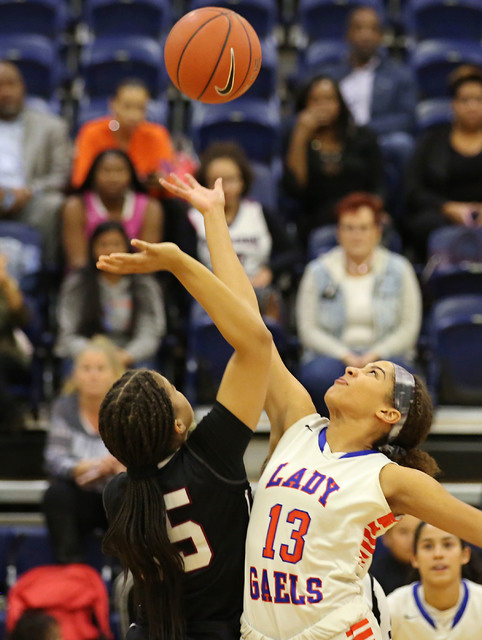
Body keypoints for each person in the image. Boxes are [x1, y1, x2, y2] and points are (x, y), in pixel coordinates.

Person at [157, 172, 482, 640]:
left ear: (389, 414)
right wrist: (214, 219)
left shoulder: (387, 477)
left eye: (373, 374)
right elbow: (249, 326)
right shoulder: (298, 424)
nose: (353, 369)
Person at [96, 221, 272, 640]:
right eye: (173, 389)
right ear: (177, 425)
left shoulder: (118, 494)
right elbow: (256, 343)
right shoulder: (210, 457)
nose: (178, 388)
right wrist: (179, 262)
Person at [295, 192, 422, 415]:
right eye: (349, 228)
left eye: (363, 228)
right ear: (338, 233)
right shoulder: (318, 271)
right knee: (319, 375)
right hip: (333, 355)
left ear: (377, 232)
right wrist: (344, 354)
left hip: (384, 354)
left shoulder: (400, 269)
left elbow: (408, 328)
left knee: (396, 376)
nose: (356, 235)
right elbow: (308, 330)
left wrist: (375, 355)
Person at [189, 141, 300, 320]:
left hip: (257, 288)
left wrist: (270, 271)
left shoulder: (261, 213)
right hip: (211, 292)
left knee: (271, 306)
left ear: (243, 181)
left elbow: (291, 253)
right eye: (214, 181)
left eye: (230, 180)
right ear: (204, 183)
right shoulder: (193, 219)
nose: (223, 188)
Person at [316, 5, 417, 201]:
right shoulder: (329, 76)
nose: (365, 35)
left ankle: (399, 215)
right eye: (359, 28)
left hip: (380, 139)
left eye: (372, 29)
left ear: (380, 36)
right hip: (335, 137)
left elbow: (407, 118)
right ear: (347, 34)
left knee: (402, 145)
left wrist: (364, 130)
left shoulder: (399, 75)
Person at [43, 336, 125, 564]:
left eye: (100, 368)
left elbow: (143, 457)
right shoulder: (64, 408)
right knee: (56, 494)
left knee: (131, 491)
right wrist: (86, 467)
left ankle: (131, 572)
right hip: (82, 497)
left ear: (114, 374)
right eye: (86, 368)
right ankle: (72, 570)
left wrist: (119, 467)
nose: (93, 375)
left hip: (117, 497)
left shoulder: (127, 407)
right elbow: (54, 458)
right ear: (75, 375)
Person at [283, 74, 385, 245]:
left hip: (361, 215)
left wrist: (371, 211)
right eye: (315, 100)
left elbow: (378, 184)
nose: (323, 106)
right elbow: (295, 188)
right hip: (317, 220)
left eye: (329, 99)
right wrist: (300, 135)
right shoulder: (296, 140)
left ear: (340, 103)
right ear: (305, 106)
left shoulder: (364, 137)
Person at [56, 220, 166, 370]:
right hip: (88, 354)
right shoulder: (77, 284)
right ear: (92, 248)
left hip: (132, 356)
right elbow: (68, 333)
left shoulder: (144, 284)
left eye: (116, 244)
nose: (110, 250)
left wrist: (127, 355)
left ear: (127, 247)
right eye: (103, 244)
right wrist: (97, 356)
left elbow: (151, 332)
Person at [404, 65, 482, 262]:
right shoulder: (432, 139)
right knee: (425, 224)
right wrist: (447, 207)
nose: (472, 106)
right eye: (465, 100)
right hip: (441, 216)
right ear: (453, 104)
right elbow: (413, 189)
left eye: (479, 100)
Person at [0, 61, 71, 264]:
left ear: (22, 87)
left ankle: (46, 279)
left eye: (11, 84)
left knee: (54, 204)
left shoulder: (51, 127)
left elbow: (62, 174)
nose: (5, 92)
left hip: (30, 201)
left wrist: (30, 191)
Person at [62, 148, 164, 270]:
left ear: (131, 175)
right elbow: (77, 261)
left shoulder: (150, 207)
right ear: (93, 174)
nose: (113, 177)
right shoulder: (76, 206)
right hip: (87, 279)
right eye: (106, 171)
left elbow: (148, 260)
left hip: (135, 278)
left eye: (120, 171)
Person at [71, 78, 175, 193]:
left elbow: (170, 175)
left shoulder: (157, 135)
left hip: (145, 200)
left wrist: (161, 179)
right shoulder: (91, 132)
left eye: (140, 108)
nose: (134, 115)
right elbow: (80, 178)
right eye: (127, 106)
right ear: (113, 104)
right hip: (100, 197)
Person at [387, 521, 482, 639]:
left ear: (465, 554)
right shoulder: (393, 607)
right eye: (428, 546)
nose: (438, 554)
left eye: (447, 545)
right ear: (415, 558)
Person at [0, 249, 32, 431]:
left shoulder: (7, 288)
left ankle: (13, 417)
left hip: (9, 357)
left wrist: (7, 285)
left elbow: (25, 320)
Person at [370, 514, 420, 595]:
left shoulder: (432, 568)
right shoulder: (373, 576)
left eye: (417, 532)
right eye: (403, 532)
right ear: (386, 537)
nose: (412, 540)